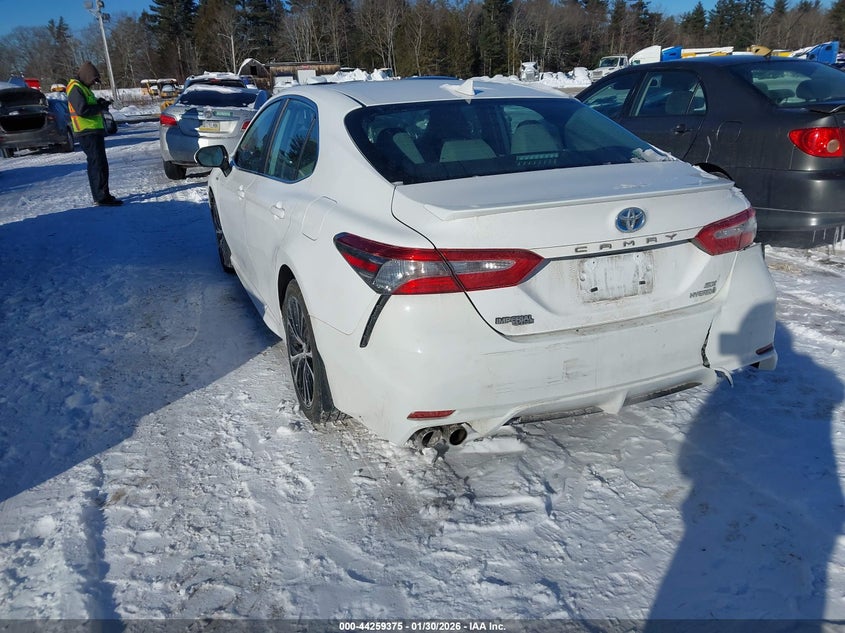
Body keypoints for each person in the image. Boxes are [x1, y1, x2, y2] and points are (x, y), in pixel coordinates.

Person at [66, 61, 122, 206]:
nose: (93, 84)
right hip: (87, 132)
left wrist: (99, 102)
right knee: (97, 164)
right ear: (87, 76)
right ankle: (101, 196)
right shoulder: (75, 88)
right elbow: (82, 110)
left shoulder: (82, 87)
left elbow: (87, 105)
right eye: (93, 81)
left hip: (92, 131)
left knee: (99, 164)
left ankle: (102, 194)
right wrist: (99, 107)